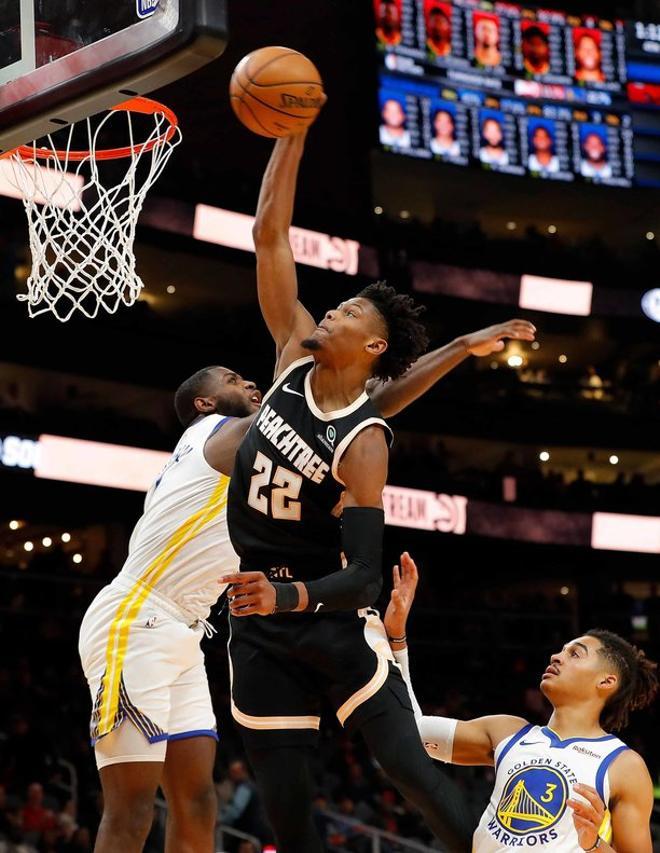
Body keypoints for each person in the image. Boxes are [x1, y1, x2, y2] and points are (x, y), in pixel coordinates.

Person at [220, 128, 536, 853]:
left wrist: (289, 595)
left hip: (326, 610)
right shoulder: (287, 359)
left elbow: (364, 577)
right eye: (337, 306)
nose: (331, 311)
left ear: (373, 349)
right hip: (256, 618)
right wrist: (293, 133)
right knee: (289, 812)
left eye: (352, 313)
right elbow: (270, 233)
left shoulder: (364, 441)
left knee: (408, 767)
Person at [78, 367, 263, 853]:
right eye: (231, 378)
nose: (247, 383)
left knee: (198, 800)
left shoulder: (233, 453)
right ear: (204, 405)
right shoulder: (210, 432)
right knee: (131, 809)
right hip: (136, 618)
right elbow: (289, 401)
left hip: (183, 630)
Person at [384, 553, 659, 852]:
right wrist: (397, 638)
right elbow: (410, 730)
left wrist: (593, 845)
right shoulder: (507, 731)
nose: (556, 656)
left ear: (606, 682)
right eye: (561, 651)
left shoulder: (624, 765)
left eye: (575, 654)